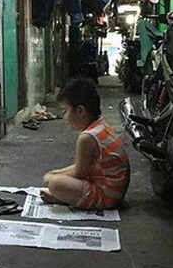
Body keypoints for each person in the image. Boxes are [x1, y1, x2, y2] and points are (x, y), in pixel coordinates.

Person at [41, 77, 130, 209]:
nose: (64, 117)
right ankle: (63, 195)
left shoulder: (87, 138)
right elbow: (81, 167)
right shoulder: (101, 126)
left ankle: (62, 198)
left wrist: (52, 178)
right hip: (115, 192)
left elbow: (80, 172)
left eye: (65, 111)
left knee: (54, 184)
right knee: (52, 178)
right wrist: (55, 173)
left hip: (107, 196)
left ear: (80, 111)